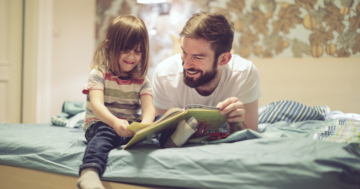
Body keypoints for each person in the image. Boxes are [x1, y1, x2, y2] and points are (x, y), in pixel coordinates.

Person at [152, 12, 261, 147]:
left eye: (198, 57)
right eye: (184, 52)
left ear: (223, 59)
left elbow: (250, 137)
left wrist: (235, 123)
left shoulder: (244, 73)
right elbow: (162, 136)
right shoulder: (165, 75)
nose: (186, 65)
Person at [77, 15, 155, 189]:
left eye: (137, 51)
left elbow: (149, 108)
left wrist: (145, 126)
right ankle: (89, 173)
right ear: (109, 47)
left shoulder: (143, 81)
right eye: (125, 50)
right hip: (101, 124)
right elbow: (97, 106)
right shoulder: (98, 74)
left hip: (129, 128)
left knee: (160, 121)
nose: (132, 57)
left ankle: (173, 136)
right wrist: (114, 122)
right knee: (106, 133)